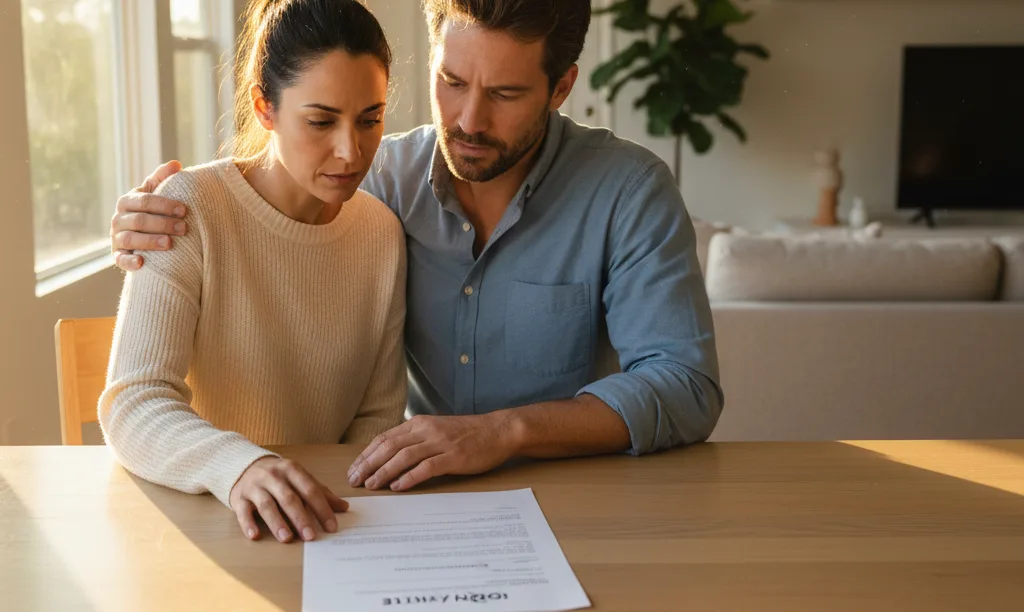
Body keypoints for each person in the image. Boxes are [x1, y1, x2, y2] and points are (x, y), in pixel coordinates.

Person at [109, 0, 724, 496]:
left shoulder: (629, 191)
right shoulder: (377, 180)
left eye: (506, 94)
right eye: (451, 82)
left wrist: (504, 432)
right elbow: (275, 183)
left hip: (576, 497)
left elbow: (685, 387)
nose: (470, 120)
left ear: (561, 87)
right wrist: (151, 220)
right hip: (412, 499)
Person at [99, 0, 407, 544]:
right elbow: (133, 402)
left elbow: (377, 418)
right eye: (320, 120)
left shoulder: (382, 232)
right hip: (210, 520)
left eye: (370, 119)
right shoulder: (188, 209)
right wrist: (240, 467)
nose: (350, 151)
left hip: (323, 523)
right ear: (264, 108)